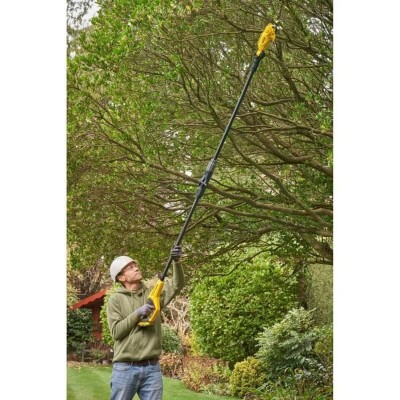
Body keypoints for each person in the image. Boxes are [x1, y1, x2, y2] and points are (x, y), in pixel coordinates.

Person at [107, 245, 184, 400]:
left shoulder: (152, 294)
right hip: (125, 368)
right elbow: (116, 332)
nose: (136, 268)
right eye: (130, 268)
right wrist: (137, 313)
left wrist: (176, 262)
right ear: (121, 278)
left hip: (151, 368)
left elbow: (177, 285)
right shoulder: (115, 299)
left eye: (135, 265)